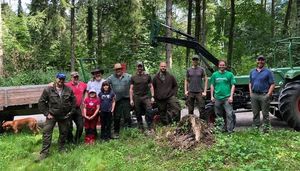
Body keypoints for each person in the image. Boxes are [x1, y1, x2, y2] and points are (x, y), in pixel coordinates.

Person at [37, 73, 76, 161]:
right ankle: (44, 152)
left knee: (63, 133)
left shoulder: (68, 89)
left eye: (63, 79)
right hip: (52, 115)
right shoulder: (48, 89)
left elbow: (74, 101)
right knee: (46, 133)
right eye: (59, 79)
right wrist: (47, 113)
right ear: (56, 79)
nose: (61, 81)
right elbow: (41, 102)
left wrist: (70, 112)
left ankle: (61, 148)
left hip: (64, 116)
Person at [249, 55, 275, 133]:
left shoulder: (268, 72)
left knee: (265, 114)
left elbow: (272, 84)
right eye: (259, 60)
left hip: (264, 95)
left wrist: (268, 94)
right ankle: (255, 129)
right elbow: (250, 82)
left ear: (264, 61)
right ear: (257, 61)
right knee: (255, 113)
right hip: (254, 95)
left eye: (262, 60)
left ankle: (266, 130)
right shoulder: (252, 72)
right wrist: (251, 93)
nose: (260, 61)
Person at [210, 60, 236, 133]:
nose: (222, 66)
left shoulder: (230, 74)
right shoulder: (214, 75)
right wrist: (212, 96)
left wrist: (231, 96)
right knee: (218, 115)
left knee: (229, 114)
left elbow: (233, 85)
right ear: (218, 66)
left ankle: (230, 131)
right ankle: (220, 130)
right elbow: (212, 85)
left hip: (227, 98)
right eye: (220, 65)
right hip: (217, 98)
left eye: (223, 65)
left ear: (225, 66)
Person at [107, 63, 132, 139]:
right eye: (116, 69)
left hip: (126, 99)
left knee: (127, 116)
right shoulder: (111, 78)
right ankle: (116, 132)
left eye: (119, 69)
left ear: (122, 69)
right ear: (115, 70)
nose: (118, 70)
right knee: (117, 117)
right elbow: (104, 83)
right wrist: (93, 79)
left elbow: (136, 80)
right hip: (116, 100)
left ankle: (128, 132)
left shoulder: (128, 76)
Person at [130, 62, 155, 133]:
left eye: (141, 67)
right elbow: (131, 89)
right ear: (136, 68)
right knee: (137, 112)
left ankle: (150, 126)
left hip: (145, 96)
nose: (139, 68)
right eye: (138, 67)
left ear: (143, 67)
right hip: (137, 97)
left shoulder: (147, 76)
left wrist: (152, 96)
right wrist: (131, 99)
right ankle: (141, 127)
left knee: (149, 110)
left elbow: (151, 86)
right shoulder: (133, 77)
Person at [65, 71, 87, 143]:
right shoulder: (67, 85)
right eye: (74, 77)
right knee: (68, 126)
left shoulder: (83, 84)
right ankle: (70, 140)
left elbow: (87, 90)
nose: (76, 78)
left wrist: (84, 100)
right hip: (69, 108)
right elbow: (56, 85)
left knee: (80, 126)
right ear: (71, 78)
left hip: (77, 108)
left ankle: (76, 139)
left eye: (77, 77)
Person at [184, 55, 208, 119]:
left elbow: (206, 79)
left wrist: (205, 91)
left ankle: (202, 124)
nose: (195, 61)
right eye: (194, 60)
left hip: (199, 92)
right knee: (190, 110)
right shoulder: (189, 70)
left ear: (198, 61)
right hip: (190, 92)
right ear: (192, 61)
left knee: (202, 109)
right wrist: (185, 91)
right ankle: (192, 125)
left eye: (196, 60)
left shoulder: (202, 69)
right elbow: (186, 80)